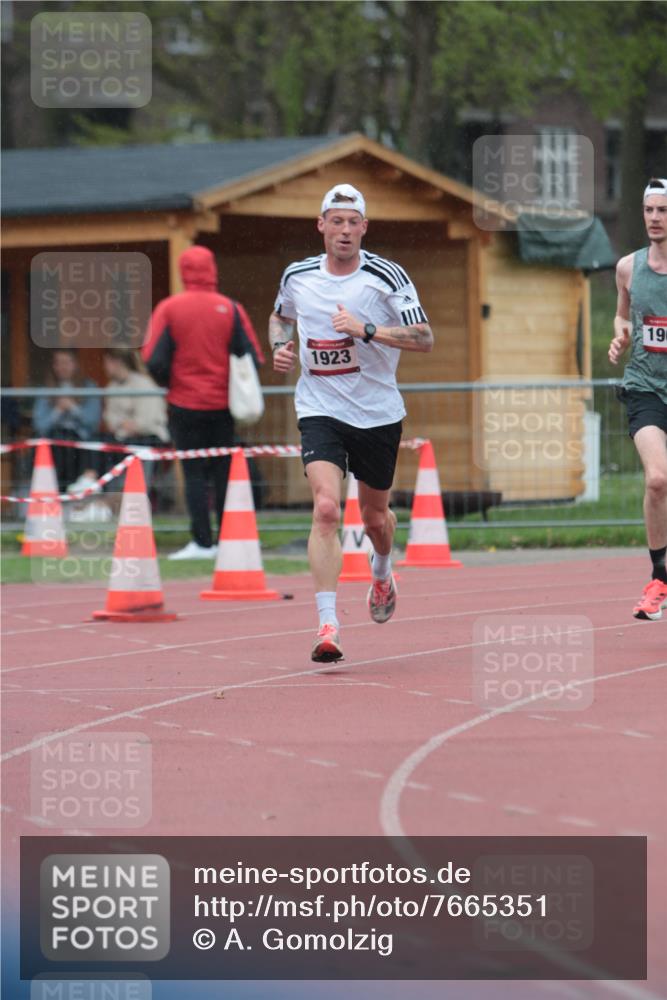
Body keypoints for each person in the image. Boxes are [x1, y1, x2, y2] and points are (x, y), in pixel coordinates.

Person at [270, 183, 434, 662]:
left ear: (364, 228)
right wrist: (280, 347)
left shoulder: (386, 276)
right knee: (326, 508)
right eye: (335, 221)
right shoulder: (298, 275)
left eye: (352, 222)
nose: (344, 230)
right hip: (319, 408)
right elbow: (280, 317)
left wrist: (367, 330)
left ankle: (382, 571)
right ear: (321, 225)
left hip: (377, 414)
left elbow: (424, 337)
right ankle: (328, 624)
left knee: (375, 518)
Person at [142, 245, 265, 559]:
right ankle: (227, 538)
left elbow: (152, 359)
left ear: (184, 271)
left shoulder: (170, 309)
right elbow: (253, 357)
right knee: (224, 472)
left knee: (193, 473)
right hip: (223, 407)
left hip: (184, 405)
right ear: (213, 269)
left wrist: (172, 382)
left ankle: (201, 542)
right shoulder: (231, 308)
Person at [608, 177, 667, 620]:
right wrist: (619, 337)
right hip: (645, 385)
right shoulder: (629, 266)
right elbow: (622, 314)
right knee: (657, 480)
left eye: (662, 211)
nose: (654, 218)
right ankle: (659, 578)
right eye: (649, 210)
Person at [101, 348, 169, 494]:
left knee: (135, 447)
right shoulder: (111, 387)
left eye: (106, 362)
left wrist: (126, 424)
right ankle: (103, 491)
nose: (104, 367)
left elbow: (147, 421)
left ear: (117, 362)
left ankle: (135, 492)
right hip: (123, 437)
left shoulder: (143, 384)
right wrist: (124, 425)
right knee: (101, 443)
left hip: (149, 437)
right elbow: (110, 419)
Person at [32, 348, 101, 492]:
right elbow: (39, 424)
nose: (63, 367)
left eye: (66, 362)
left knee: (76, 449)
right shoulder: (46, 390)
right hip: (54, 438)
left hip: (80, 440)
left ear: (75, 364)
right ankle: (57, 491)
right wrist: (57, 410)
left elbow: (93, 421)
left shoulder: (89, 386)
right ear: (54, 366)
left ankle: (77, 490)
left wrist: (73, 407)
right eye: (59, 363)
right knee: (55, 446)